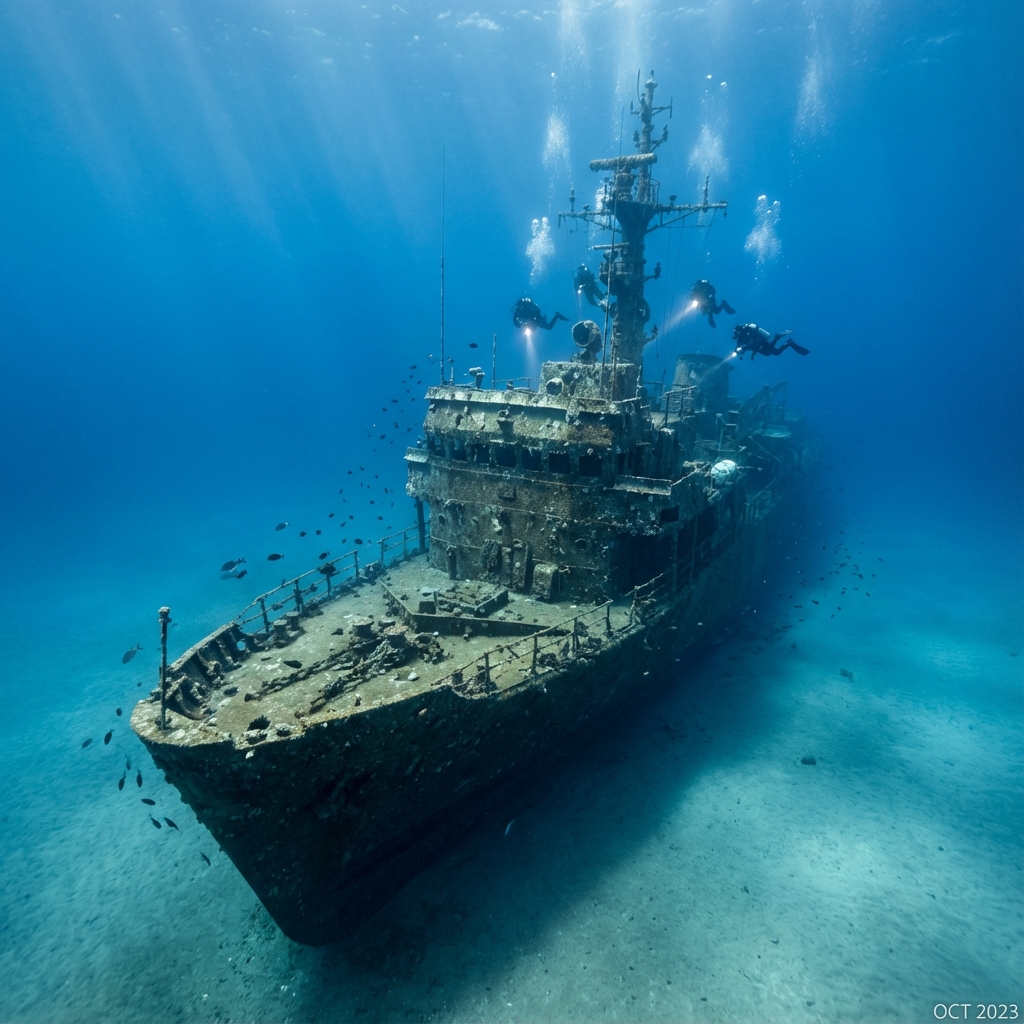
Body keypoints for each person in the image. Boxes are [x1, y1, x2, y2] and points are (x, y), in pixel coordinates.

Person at [732, 323, 809, 359]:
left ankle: (787, 341)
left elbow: (752, 342)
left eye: (736, 333)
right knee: (775, 352)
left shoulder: (747, 333)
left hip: (762, 345)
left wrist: (742, 350)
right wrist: (738, 353)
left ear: (739, 331)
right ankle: (779, 338)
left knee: (777, 352)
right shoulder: (740, 340)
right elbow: (739, 348)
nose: (736, 335)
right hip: (760, 348)